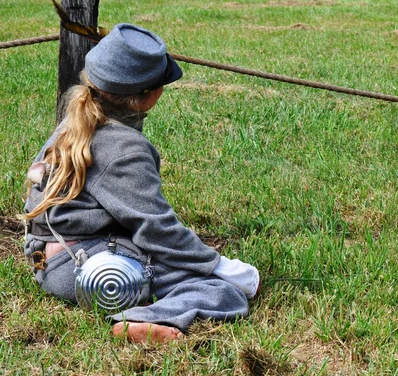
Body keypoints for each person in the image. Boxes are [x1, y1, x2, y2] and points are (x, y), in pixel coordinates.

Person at [21, 23, 260, 343]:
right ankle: (141, 320)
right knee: (221, 291)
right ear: (149, 95)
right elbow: (156, 229)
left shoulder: (79, 116)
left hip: (44, 258)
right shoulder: (124, 149)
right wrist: (217, 265)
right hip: (82, 269)